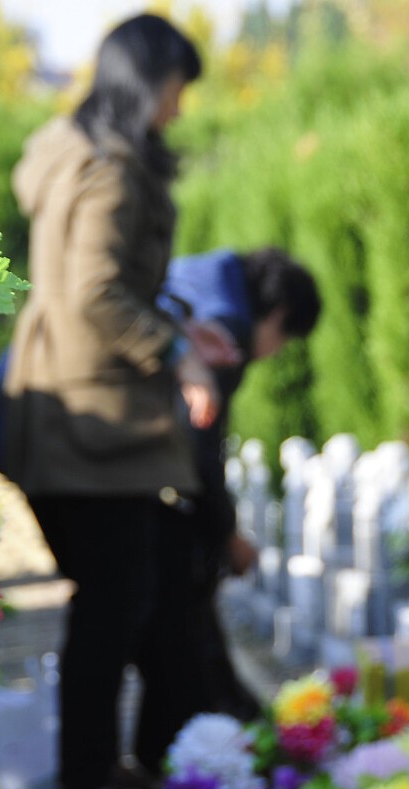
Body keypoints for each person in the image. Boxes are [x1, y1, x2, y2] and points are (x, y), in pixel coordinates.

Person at [0, 13, 234, 789]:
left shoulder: (69, 151)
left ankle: (94, 771)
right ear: (150, 83)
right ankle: (88, 783)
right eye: (176, 89)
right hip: (97, 424)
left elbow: (94, 281)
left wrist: (171, 317)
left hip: (60, 402)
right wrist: (180, 353)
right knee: (113, 604)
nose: (178, 109)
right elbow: (95, 293)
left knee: (111, 600)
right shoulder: (115, 170)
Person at [159, 246, 322, 720]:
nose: (273, 353)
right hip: (140, 477)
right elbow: (201, 445)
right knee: (180, 614)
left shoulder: (210, 277)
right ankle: (211, 727)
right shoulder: (226, 327)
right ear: (279, 315)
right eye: (284, 339)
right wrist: (225, 533)